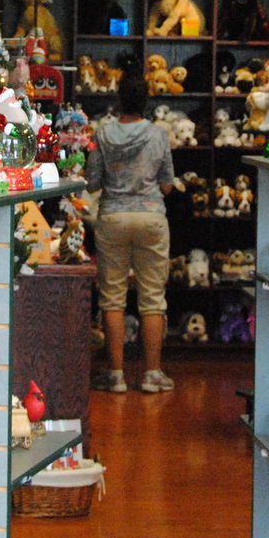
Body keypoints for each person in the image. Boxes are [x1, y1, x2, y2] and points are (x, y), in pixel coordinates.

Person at [85, 76, 177, 394]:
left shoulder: (102, 133)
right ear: (145, 101)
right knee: (152, 298)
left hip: (113, 217)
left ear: (119, 100)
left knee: (112, 298)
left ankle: (115, 376)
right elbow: (167, 184)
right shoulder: (158, 134)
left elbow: (92, 182)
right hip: (151, 217)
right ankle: (152, 375)